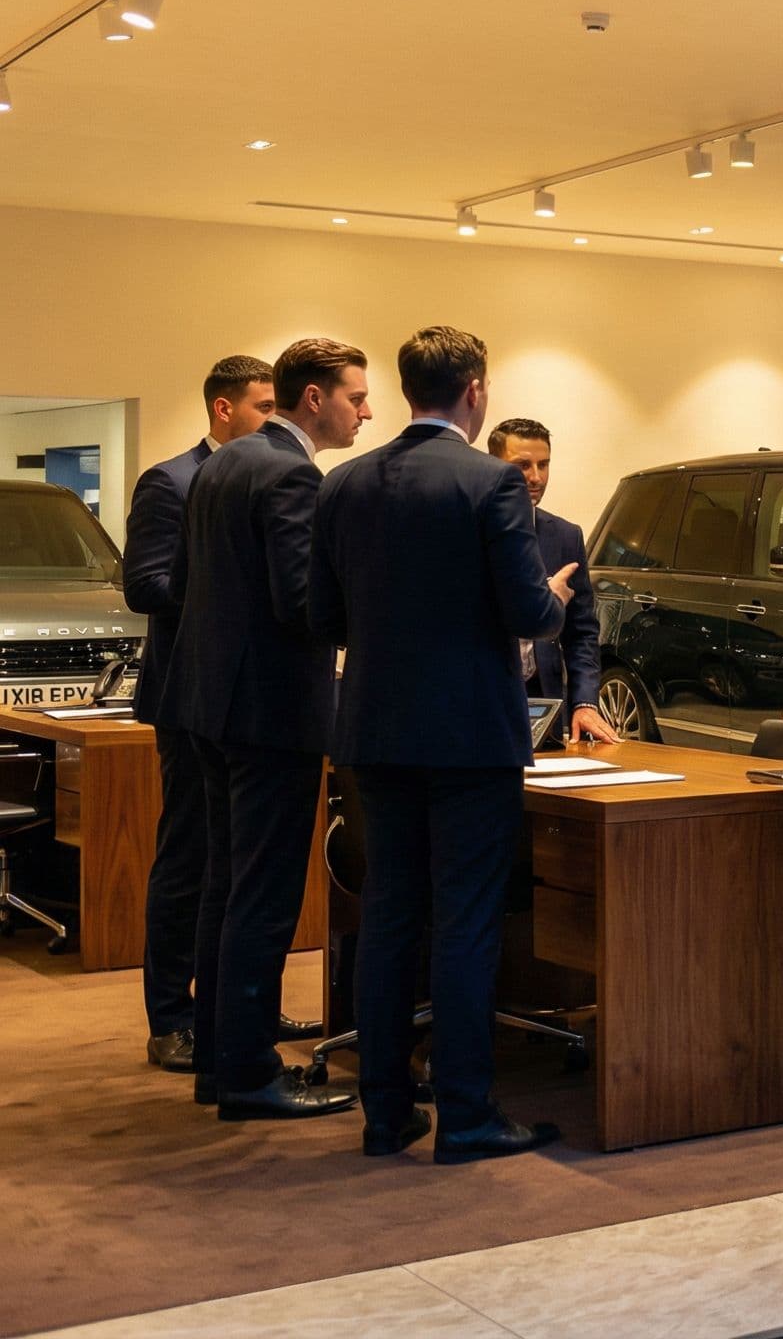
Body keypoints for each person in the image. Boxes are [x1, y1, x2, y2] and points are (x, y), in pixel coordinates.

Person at [311, 328, 575, 1162]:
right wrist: (556, 601)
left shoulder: (344, 482)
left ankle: (386, 1114)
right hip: (468, 735)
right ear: (476, 391)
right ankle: (465, 1113)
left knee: (390, 917)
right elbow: (530, 614)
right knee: (465, 922)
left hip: (375, 731)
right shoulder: (490, 482)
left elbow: (322, 619)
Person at [168, 338, 370, 1120]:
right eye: (355, 396)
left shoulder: (225, 460)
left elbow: (188, 587)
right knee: (264, 896)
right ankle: (251, 1074)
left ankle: (221, 1064)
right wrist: (368, 620)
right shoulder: (290, 471)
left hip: (211, 704)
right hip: (270, 712)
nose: (367, 410)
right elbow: (299, 600)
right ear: (313, 399)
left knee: (227, 888)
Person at [123, 355, 280, 1074]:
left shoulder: (269, 477)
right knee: (191, 854)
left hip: (248, 700)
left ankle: (238, 1006)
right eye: (263, 406)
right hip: (187, 697)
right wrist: (231, 593)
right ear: (224, 410)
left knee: (242, 862)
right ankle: (171, 1018)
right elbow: (147, 586)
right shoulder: (172, 480)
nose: (273, 420)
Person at [487, 418, 616, 747]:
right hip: (486, 701)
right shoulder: (470, 531)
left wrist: (585, 703)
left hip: (544, 704)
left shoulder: (565, 536)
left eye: (543, 465)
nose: (536, 477)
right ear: (494, 467)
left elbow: (582, 632)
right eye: (522, 465)